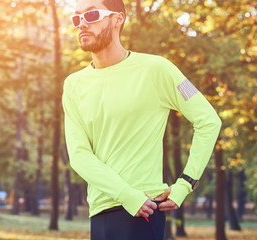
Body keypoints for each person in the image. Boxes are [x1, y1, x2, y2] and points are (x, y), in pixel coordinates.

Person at [62, 0, 222, 239]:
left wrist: (185, 184)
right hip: (100, 213)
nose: (82, 24)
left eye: (92, 15)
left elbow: (209, 120)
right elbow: (79, 155)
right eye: (76, 18)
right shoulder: (73, 85)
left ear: (118, 19)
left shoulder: (158, 69)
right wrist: (125, 194)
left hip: (144, 211)